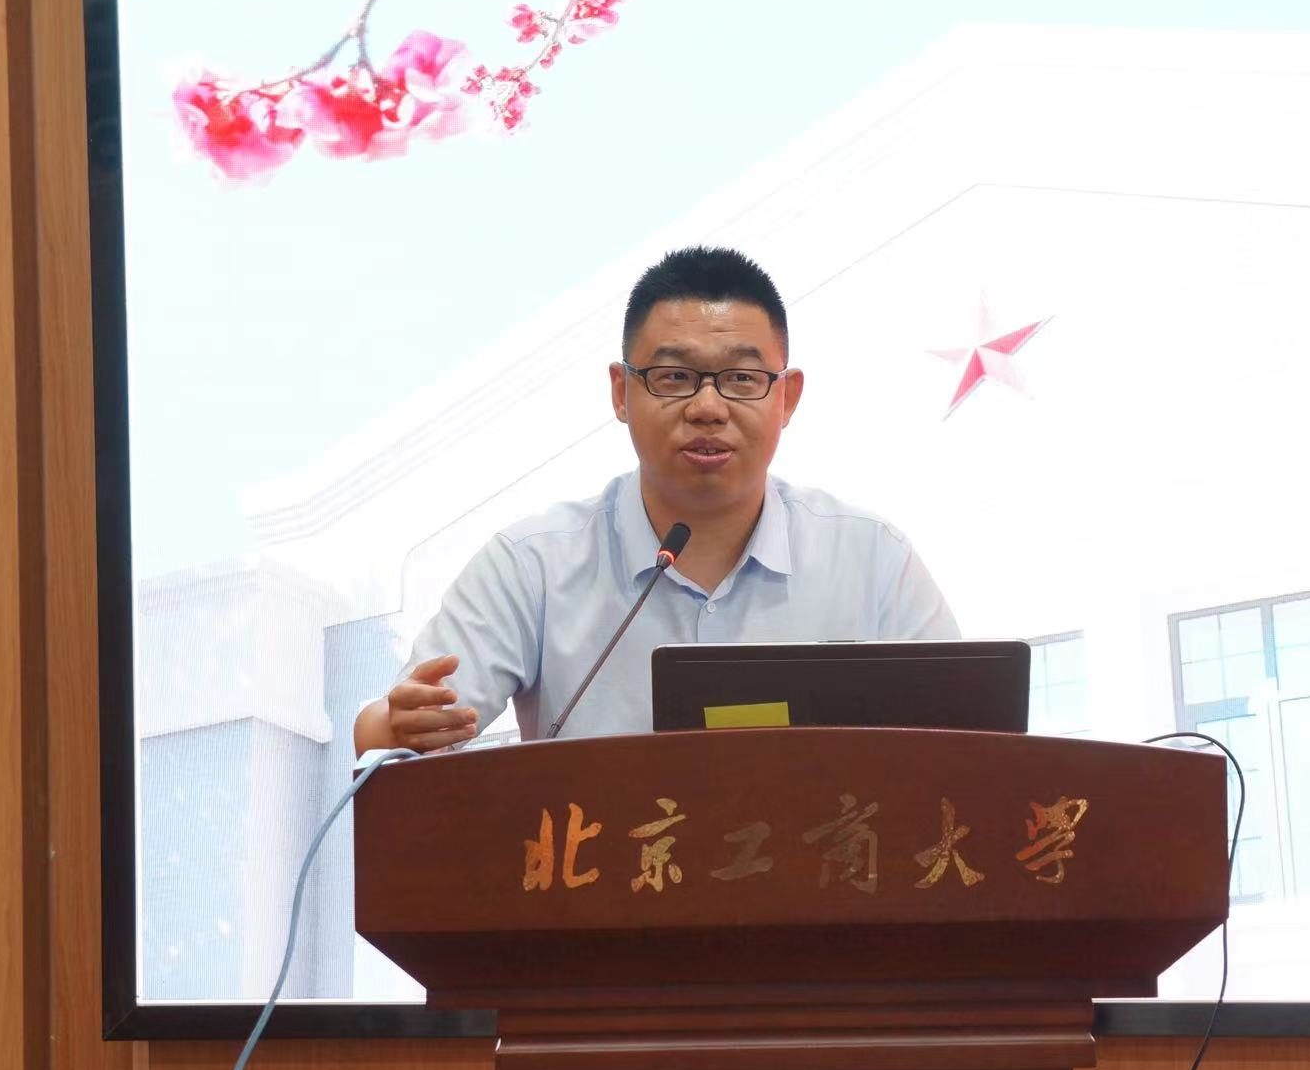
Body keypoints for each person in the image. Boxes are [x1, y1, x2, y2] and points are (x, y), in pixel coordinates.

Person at [352, 246, 959, 753]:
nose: (708, 407)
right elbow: (394, 738)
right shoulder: (534, 565)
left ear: (787, 397)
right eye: (674, 377)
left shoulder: (872, 560)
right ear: (621, 392)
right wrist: (392, 727)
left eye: (742, 379)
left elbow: (970, 742)